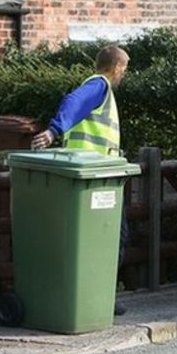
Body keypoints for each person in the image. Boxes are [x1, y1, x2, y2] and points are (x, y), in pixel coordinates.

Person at [31, 45, 130, 316]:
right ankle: (99, 296)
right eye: (125, 69)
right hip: (94, 177)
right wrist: (53, 131)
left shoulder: (99, 90)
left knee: (98, 240)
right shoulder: (98, 87)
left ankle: (98, 296)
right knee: (113, 239)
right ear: (118, 68)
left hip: (94, 175)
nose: (124, 75)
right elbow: (73, 102)